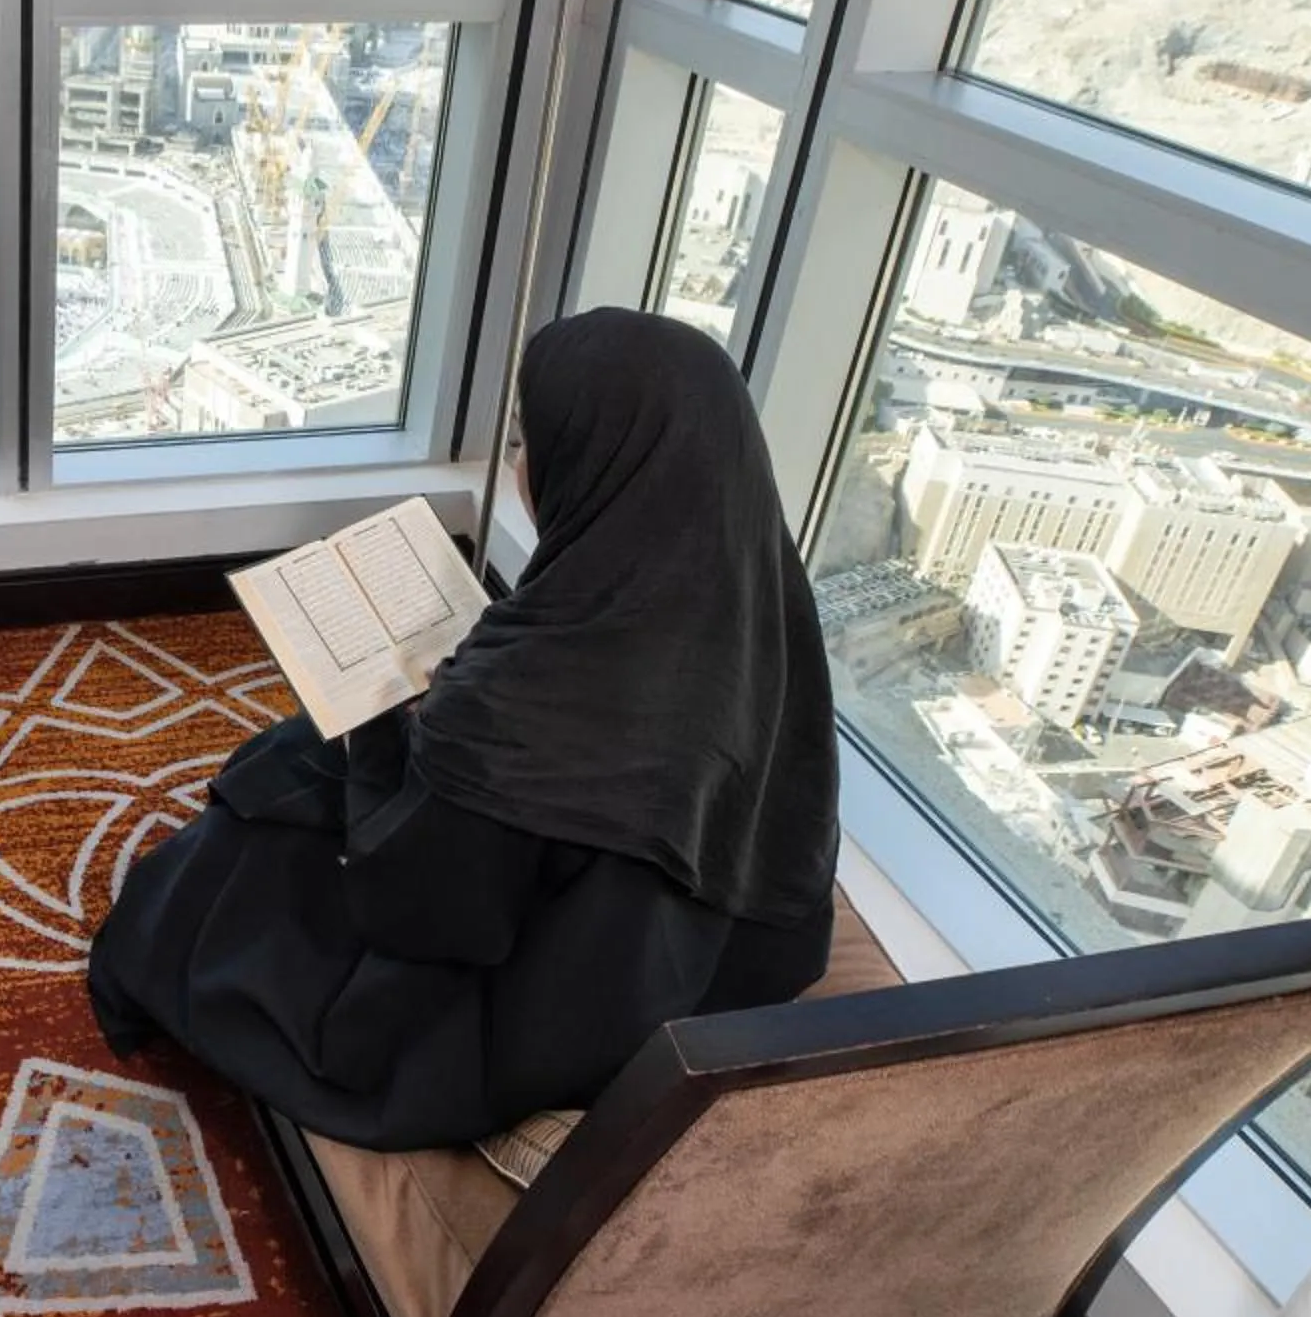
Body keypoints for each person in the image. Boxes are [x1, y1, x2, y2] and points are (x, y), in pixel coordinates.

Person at [86, 309, 842, 1150]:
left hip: (540, 1020)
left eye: (524, 443)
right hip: (720, 960)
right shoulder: (759, 604)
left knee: (268, 808)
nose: (518, 465)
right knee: (306, 759)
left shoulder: (514, 705)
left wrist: (398, 735)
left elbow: (419, 910)